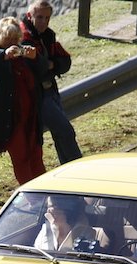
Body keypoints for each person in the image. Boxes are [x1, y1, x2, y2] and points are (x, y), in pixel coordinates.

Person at [0, 16, 46, 185]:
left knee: (36, 157)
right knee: (21, 160)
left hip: (30, 117)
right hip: (9, 119)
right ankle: (34, 201)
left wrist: (35, 57)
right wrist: (3, 55)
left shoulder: (22, 53)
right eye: (8, 39)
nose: (12, 43)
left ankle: (48, 199)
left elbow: (42, 70)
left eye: (15, 39)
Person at [20, 1, 82, 165]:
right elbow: (38, 69)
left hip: (50, 91)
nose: (44, 22)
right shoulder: (23, 37)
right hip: (39, 96)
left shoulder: (47, 35)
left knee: (62, 134)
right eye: (39, 17)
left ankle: (70, 171)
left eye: (47, 17)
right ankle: (77, 170)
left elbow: (65, 61)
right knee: (65, 132)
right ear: (29, 16)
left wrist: (51, 64)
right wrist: (50, 65)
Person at [33, 195, 108, 251]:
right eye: (47, 207)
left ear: (65, 209)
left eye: (53, 206)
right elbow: (36, 252)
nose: (48, 211)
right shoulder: (46, 229)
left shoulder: (87, 232)